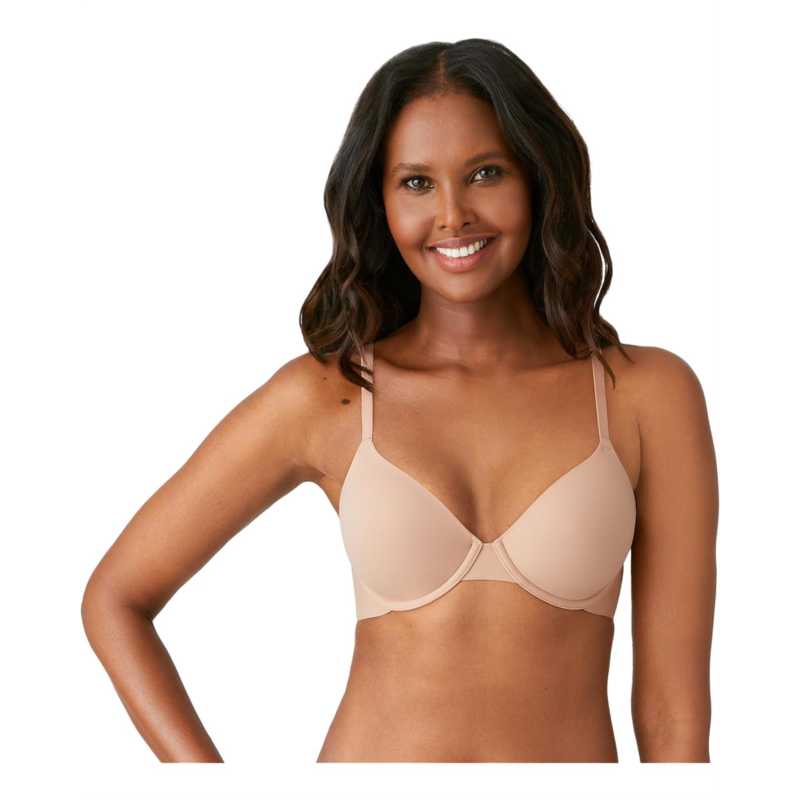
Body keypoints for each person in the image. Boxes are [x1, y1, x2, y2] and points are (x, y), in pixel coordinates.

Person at [81, 38, 719, 763]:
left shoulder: (646, 396)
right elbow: (115, 599)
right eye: (416, 183)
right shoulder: (329, 397)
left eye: (485, 173)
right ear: (379, 203)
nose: (453, 215)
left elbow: (674, 716)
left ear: (537, 177)